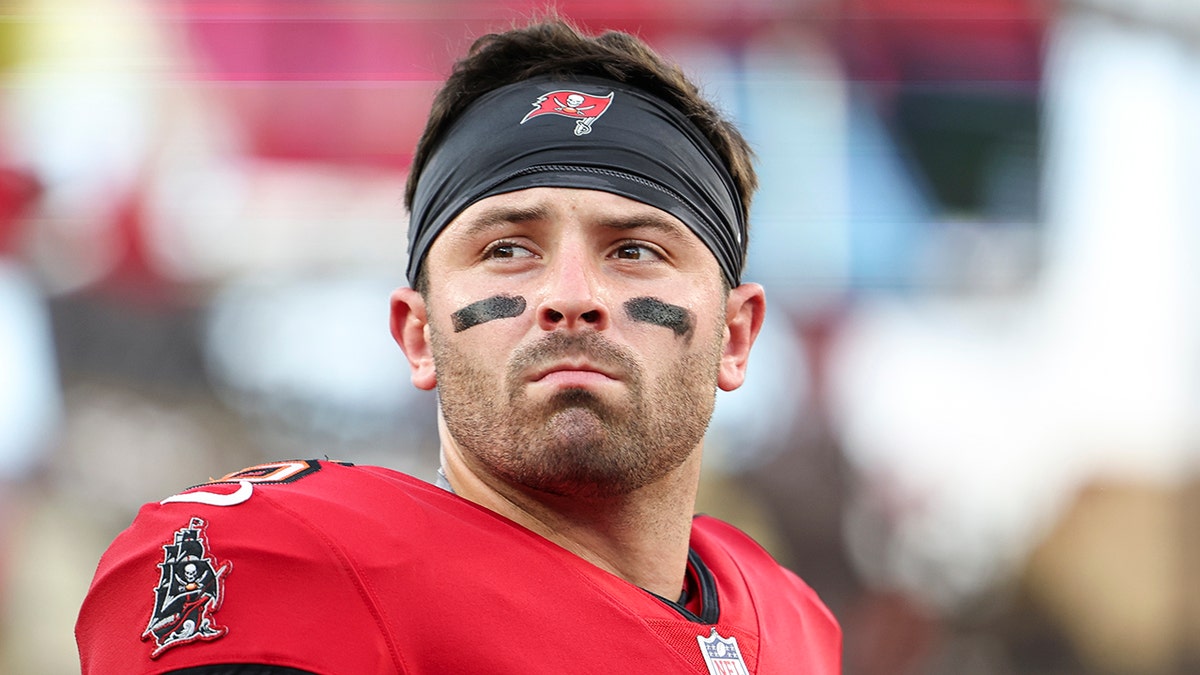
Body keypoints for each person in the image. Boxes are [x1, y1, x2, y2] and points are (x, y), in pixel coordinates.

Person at [76, 16, 841, 674]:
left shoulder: (792, 621)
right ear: (418, 334)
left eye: (634, 250)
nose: (570, 295)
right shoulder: (289, 567)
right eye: (509, 249)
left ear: (737, 336)